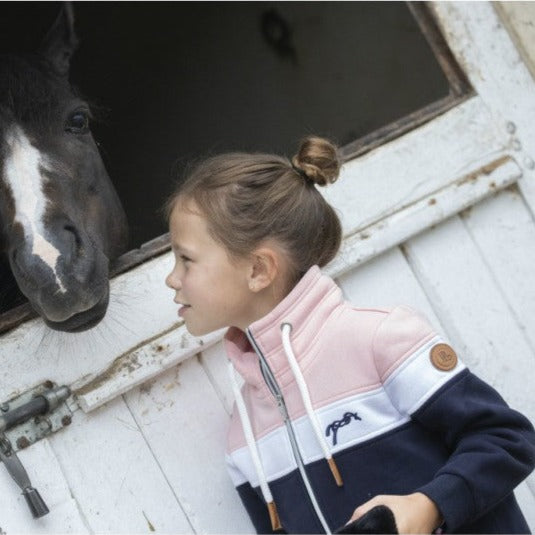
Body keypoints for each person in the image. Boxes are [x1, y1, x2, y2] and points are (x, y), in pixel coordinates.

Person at [164, 136, 535, 534]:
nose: (172, 279)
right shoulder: (245, 436)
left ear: (258, 270)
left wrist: (429, 506)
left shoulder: (378, 340)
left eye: (186, 259)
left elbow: (507, 438)